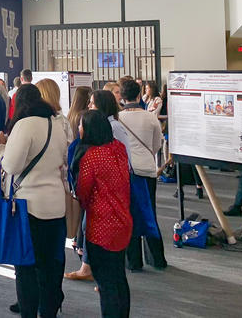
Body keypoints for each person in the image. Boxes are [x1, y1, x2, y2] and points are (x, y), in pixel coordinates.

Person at [0, 84, 67, 317]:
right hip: (56, 205)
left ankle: (28, 312)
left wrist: (0, 151)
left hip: (29, 208)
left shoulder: (24, 125)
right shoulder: (56, 124)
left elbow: (12, 165)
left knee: (26, 268)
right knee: (50, 267)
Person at [66, 90, 133, 282]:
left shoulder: (95, 153)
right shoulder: (110, 147)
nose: (89, 107)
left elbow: (84, 190)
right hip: (113, 209)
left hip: (104, 211)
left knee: (109, 278)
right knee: (115, 276)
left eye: (93, 104)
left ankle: (95, 273)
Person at [75, 110, 132, 318]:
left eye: (81, 125)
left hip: (101, 227)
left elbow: (83, 191)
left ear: (89, 130)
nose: (78, 128)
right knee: (118, 278)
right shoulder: (119, 148)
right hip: (123, 222)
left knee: (105, 283)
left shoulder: (91, 156)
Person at [119, 79, 167, 270]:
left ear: (122, 98)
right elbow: (157, 144)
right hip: (148, 170)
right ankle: (157, 259)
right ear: (139, 95)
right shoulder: (150, 117)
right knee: (150, 213)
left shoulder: (118, 118)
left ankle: (133, 261)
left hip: (127, 172)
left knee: (129, 215)